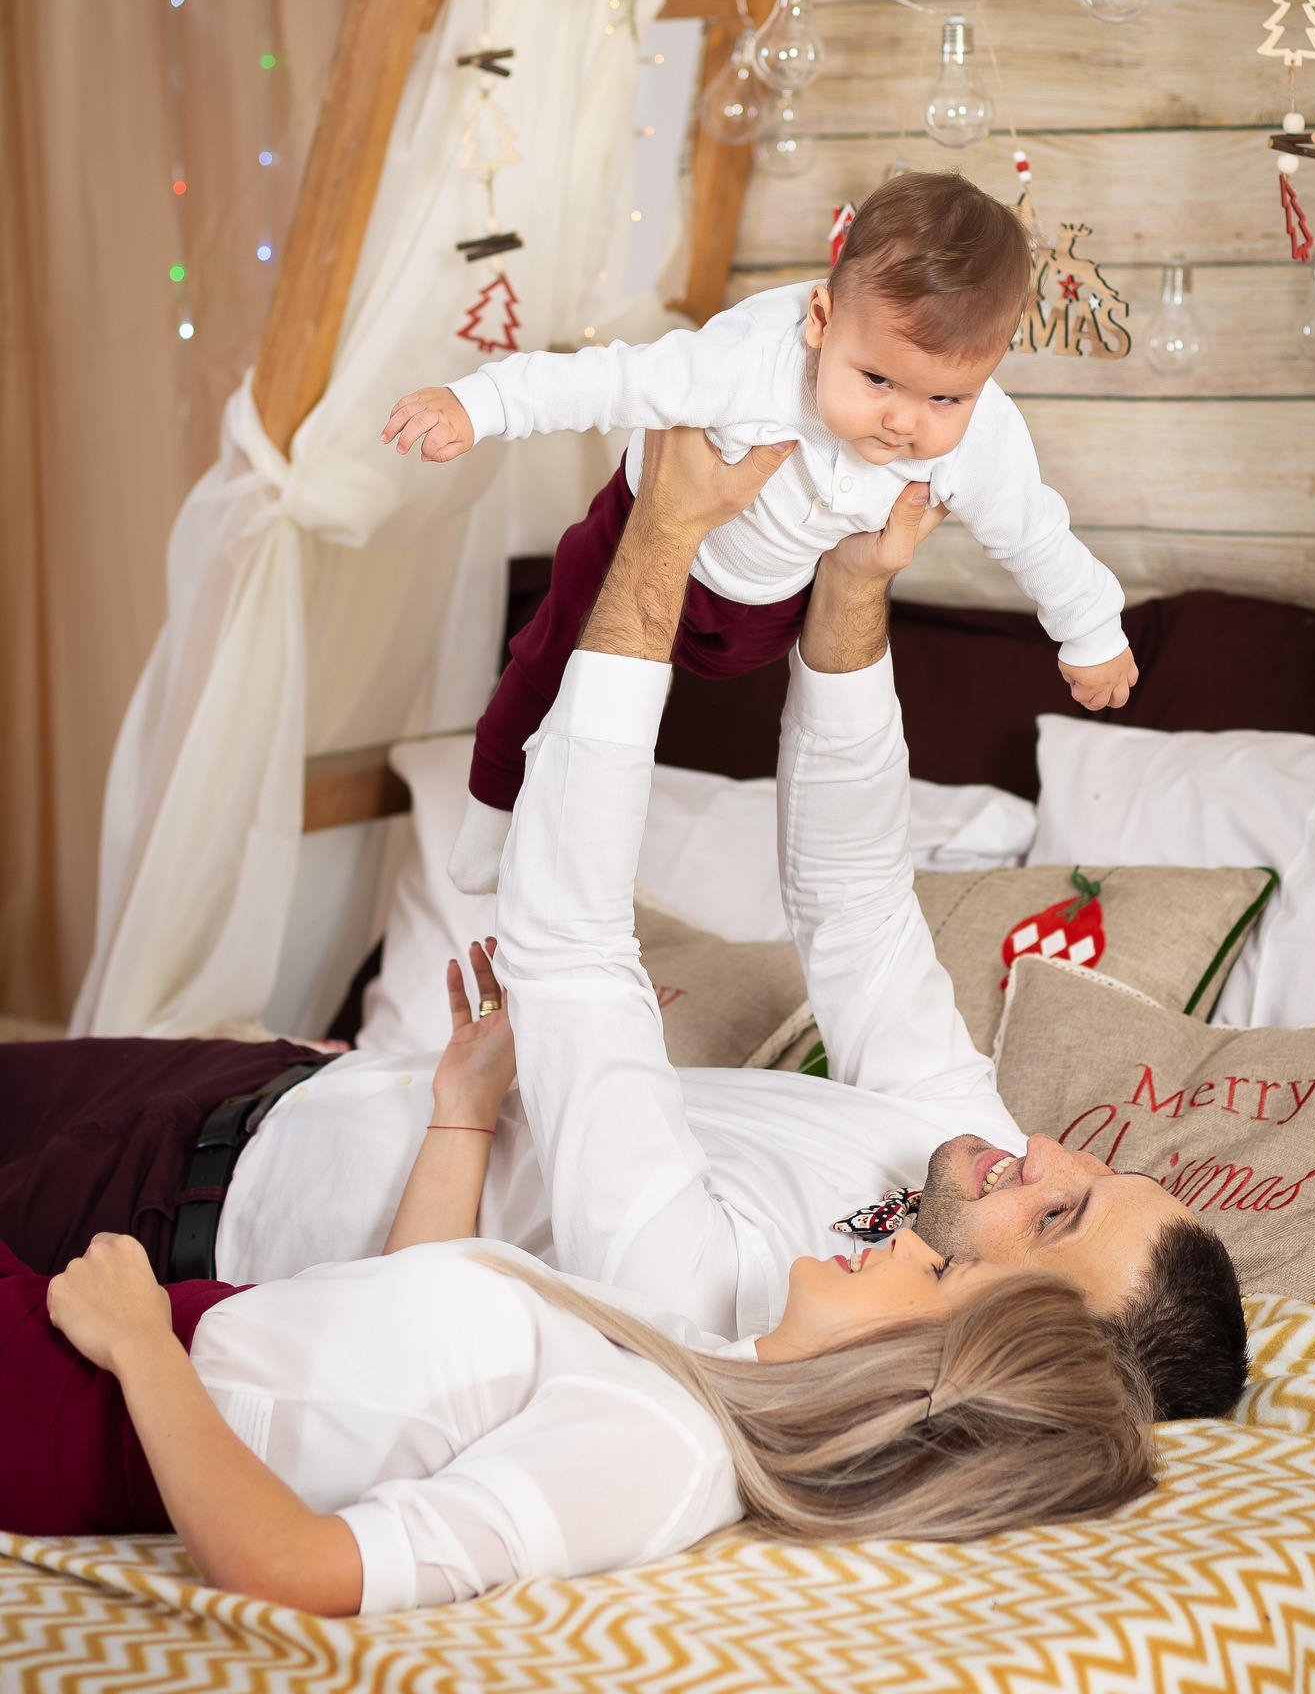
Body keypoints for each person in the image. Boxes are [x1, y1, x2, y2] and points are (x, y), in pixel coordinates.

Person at [197, 427, 1246, 1423]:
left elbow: (574, 952)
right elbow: (857, 908)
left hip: (209, 1213)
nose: (1047, 1151)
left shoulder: (724, 1310)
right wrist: (854, 581)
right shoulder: (969, 1164)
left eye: (1059, 1213)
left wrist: (658, 539)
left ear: (1012, 1343)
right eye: (1097, 1172)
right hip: (281, 1075)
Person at [5, 941, 1159, 1617]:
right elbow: (394, 1334)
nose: (910, 1237)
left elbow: (291, 1571)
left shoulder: (664, 1447)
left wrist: (143, 1344)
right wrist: (464, 1108)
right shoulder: (688, 1361)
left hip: (89, 1390)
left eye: (938, 1271)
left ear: (911, 1373)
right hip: (130, 1336)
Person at [380, 172, 1138, 895]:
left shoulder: (985, 434)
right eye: (877, 380)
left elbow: (1032, 531)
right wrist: (476, 405)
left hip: (770, 601)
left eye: (945, 398)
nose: (903, 421)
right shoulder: (747, 359)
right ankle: (492, 809)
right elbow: (611, 379)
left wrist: (1091, 630)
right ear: (821, 320)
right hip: (635, 539)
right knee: (551, 663)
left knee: (805, 700)